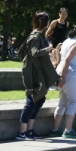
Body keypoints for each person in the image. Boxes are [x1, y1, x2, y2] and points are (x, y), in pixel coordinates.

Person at [16, 11, 60, 141]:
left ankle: (30, 130)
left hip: (37, 70)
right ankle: (22, 132)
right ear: (44, 22)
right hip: (32, 72)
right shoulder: (35, 36)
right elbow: (34, 53)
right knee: (31, 99)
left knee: (40, 99)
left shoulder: (39, 35)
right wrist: (47, 49)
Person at [49, 23, 76, 138]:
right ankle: (68, 130)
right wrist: (63, 77)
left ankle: (55, 129)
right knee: (74, 101)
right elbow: (68, 60)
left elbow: (66, 60)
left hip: (62, 71)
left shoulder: (67, 41)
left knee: (62, 102)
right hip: (68, 73)